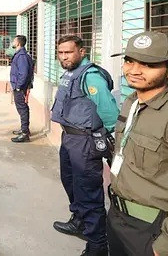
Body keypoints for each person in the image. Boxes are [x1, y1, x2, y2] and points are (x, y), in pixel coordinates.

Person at [107, 31, 168, 256]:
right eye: (129, 61)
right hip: (118, 217)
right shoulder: (132, 102)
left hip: (154, 231)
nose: (134, 70)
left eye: (148, 64)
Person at [51, 35, 119, 256]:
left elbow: (109, 113)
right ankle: (79, 221)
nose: (64, 57)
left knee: (88, 192)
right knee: (70, 182)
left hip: (85, 142)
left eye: (68, 52)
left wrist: (110, 142)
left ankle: (97, 246)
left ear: (81, 51)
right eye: (60, 53)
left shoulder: (90, 76)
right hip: (69, 138)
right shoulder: (71, 72)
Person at [10, 35, 35, 143]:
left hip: (20, 87)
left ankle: (25, 133)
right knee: (21, 108)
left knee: (22, 109)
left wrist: (19, 87)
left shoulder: (22, 56)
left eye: (14, 40)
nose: (12, 42)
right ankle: (24, 129)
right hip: (19, 86)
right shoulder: (20, 55)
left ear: (18, 43)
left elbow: (23, 73)